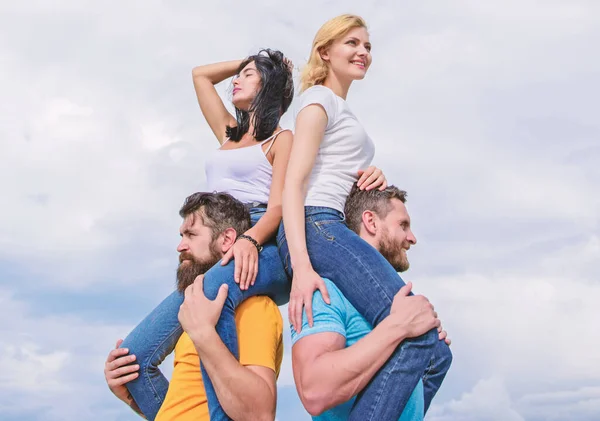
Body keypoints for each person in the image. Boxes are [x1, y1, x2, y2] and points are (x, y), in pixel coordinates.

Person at [279, 15, 453, 420]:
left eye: (368, 46)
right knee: (418, 331)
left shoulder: (339, 109)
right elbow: (294, 184)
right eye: (352, 44)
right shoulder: (318, 99)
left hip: (331, 223)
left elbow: (333, 171)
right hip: (318, 226)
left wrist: (370, 177)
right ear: (325, 52)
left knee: (436, 354)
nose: (363, 53)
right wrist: (302, 267)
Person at [119, 49, 295, 421]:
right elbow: (200, 75)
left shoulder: (281, 139)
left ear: (269, 86)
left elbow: (278, 208)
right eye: (239, 74)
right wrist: (251, 61)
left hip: (261, 242)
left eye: (248, 76)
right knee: (134, 357)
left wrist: (249, 240)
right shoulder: (228, 133)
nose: (236, 80)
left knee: (211, 294)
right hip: (224, 237)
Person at [104, 192, 283, 421]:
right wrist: (130, 395)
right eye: (181, 236)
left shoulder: (254, 308)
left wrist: (205, 335)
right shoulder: (194, 315)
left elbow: (259, 414)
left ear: (227, 239)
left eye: (191, 235)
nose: (180, 246)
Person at [290, 185, 453, 420]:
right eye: (403, 225)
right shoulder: (324, 291)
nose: (412, 238)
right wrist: (397, 327)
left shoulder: (390, 301)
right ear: (371, 222)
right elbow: (314, 391)